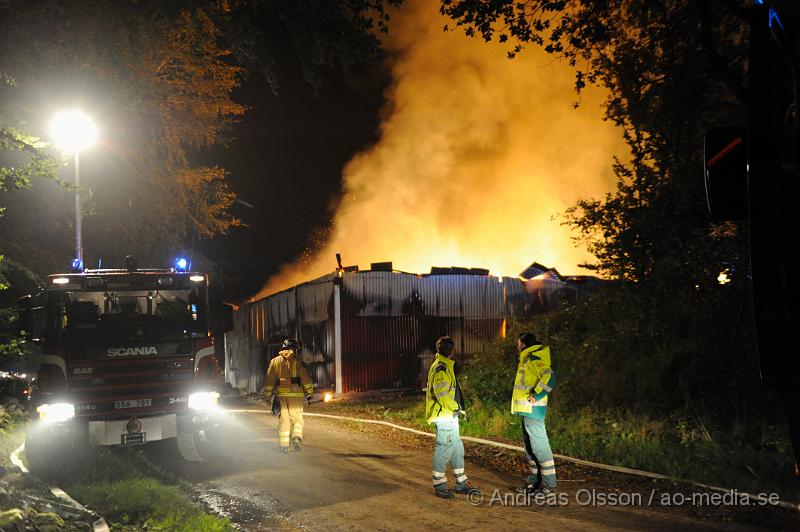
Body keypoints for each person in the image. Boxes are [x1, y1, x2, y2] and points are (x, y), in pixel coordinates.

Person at [425, 335, 480, 499]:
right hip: (444, 416)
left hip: (449, 415)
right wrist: (457, 407)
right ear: (452, 351)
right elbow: (442, 396)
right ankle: (440, 485)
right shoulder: (441, 368)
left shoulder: (445, 366)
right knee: (443, 449)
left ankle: (462, 483)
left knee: (457, 448)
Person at [511, 331, 557, 494]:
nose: (517, 346)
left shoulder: (533, 360)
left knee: (539, 447)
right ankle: (533, 483)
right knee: (530, 448)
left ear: (523, 344)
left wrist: (537, 395)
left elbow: (550, 379)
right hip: (526, 411)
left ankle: (548, 486)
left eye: (518, 343)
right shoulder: (526, 360)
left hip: (533, 411)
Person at [263, 338, 314, 453]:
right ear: (294, 349)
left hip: (281, 395)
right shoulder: (297, 361)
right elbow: (305, 378)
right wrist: (309, 393)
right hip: (296, 395)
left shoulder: (275, 361)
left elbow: (269, 380)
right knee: (297, 419)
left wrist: (267, 396)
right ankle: (296, 437)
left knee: (284, 420)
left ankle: (285, 445)